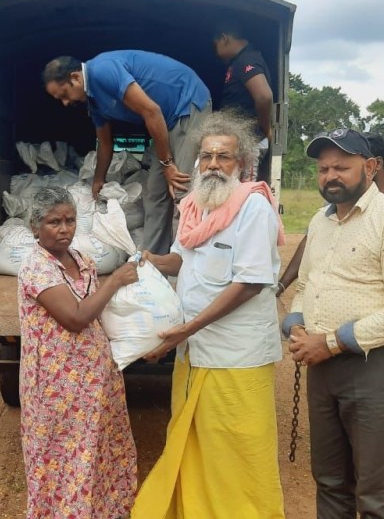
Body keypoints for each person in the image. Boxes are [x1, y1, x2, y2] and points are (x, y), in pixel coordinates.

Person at [131, 111, 286, 518]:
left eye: (224, 157)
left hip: (237, 357)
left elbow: (250, 283)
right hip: (195, 353)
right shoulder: (193, 207)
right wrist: (149, 259)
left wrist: (186, 329)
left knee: (238, 454)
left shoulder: (254, 208)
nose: (213, 164)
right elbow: (180, 260)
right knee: (193, 444)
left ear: (242, 164)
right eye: (206, 156)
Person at [283, 128, 384, 518]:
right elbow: (306, 284)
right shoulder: (320, 221)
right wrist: (296, 325)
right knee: (329, 480)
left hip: (372, 368)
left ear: (371, 167)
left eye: (341, 167)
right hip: (322, 369)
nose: (330, 176)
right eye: (323, 169)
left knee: (374, 491)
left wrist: (330, 342)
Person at [17, 185, 139, 518]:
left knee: (98, 453)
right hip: (57, 389)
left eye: (69, 220)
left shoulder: (82, 260)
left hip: (96, 381)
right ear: (35, 227)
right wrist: (115, 281)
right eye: (54, 222)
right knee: (63, 461)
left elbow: (98, 313)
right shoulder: (36, 267)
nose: (64, 229)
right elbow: (75, 318)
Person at [43, 51, 212, 255]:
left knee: (181, 189)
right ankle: (152, 259)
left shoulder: (103, 70)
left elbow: (151, 111)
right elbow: (105, 143)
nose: (65, 102)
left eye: (64, 94)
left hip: (185, 103)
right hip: (165, 122)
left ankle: (186, 259)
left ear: (76, 77)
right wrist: (98, 179)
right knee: (155, 192)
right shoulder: (94, 102)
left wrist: (167, 164)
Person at [212, 23, 274, 182]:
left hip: (249, 142)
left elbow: (264, 96)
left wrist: (265, 128)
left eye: (215, 45)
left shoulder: (247, 59)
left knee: (244, 190)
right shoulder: (238, 61)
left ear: (224, 38)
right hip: (238, 142)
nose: (215, 52)